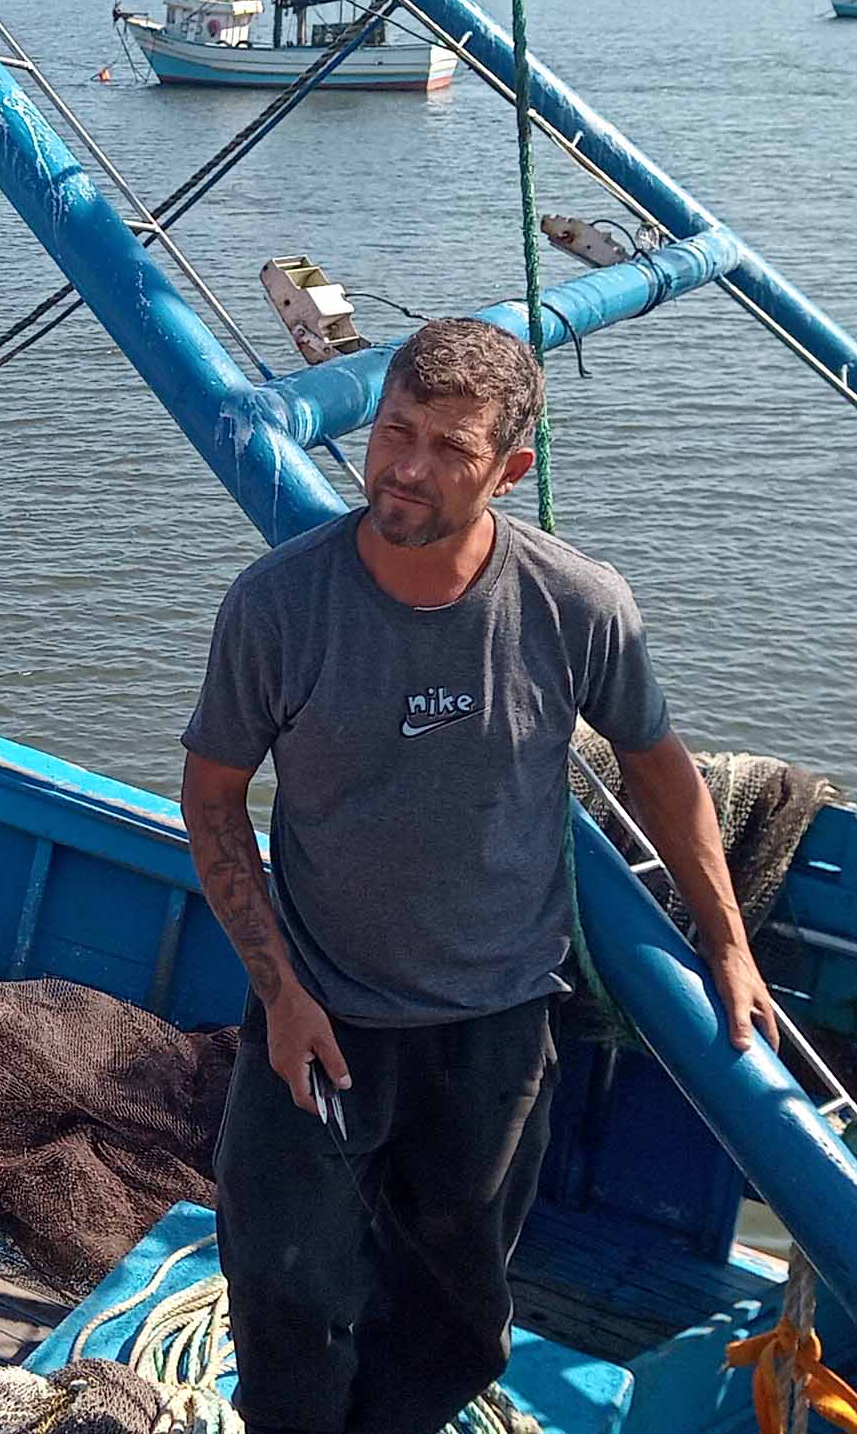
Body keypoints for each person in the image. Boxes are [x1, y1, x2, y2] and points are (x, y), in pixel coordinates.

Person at [177, 317, 778, 1434]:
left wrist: (728, 945)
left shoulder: (577, 604)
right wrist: (281, 994)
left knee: (457, 1313)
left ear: (511, 470)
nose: (406, 466)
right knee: (288, 1291)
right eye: (395, 430)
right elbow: (213, 799)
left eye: (449, 448)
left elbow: (662, 770)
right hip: (318, 1017)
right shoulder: (278, 604)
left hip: (494, 1027)